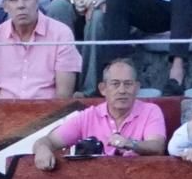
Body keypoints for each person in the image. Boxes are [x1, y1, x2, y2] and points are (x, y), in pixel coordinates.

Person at [33, 58, 165, 169]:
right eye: (115, 84)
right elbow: (47, 141)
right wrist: (42, 149)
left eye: (128, 84)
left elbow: (157, 146)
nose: (122, 90)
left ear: (137, 88)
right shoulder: (88, 116)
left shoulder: (151, 111)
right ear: (103, 89)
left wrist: (130, 144)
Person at [0, 0, 80, 99]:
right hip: (4, 115)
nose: (21, 5)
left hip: (51, 114)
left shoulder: (61, 34)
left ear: (37, 0)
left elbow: (64, 96)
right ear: (4, 5)